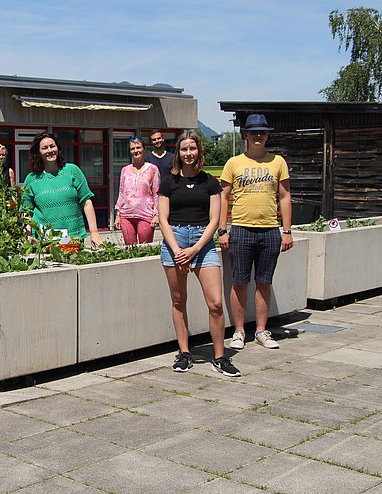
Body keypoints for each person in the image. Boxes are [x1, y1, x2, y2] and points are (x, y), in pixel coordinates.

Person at [158, 130, 240, 377]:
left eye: (192, 148)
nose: (188, 153)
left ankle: (220, 356)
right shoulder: (168, 182)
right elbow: (162, 219)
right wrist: (177, 250)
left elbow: (215, 220)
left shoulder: (210, 182)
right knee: (178, 300)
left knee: (215, 303)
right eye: (184, 149)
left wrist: (194, 249)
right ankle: (184, 353)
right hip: (175, 241)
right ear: (178, 153)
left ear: (199, 151)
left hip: (203, 243)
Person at [219, 114, 293, 351]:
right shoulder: (234, 162)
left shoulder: (277, 162)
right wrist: (222, 229)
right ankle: (239, 331)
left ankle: (261, 330)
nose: (258, 136)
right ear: (246, 135)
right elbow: (223, 196)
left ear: (267, 134)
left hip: (270, 230)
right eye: (254, 132)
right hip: (240, 229)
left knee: (264, 282)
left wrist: (287, 230)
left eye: (262, 132)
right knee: (239, 283)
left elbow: (284, 196)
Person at [23, 132, 102, 246]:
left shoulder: (72, 171)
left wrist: (94, 233)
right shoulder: (31, 179)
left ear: (58, 148)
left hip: (73, 235)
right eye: (45, 148)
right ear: (38, 153)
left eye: (52, 146)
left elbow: (86, 202)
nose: (50, 150)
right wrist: (28, 234)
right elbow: (26, 211)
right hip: (44, 238)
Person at [114, 137, 160, 244]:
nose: (136, 151)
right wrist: (118, 215)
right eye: (132, 149)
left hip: (145, 215)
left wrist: (156, 215)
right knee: (130, 248)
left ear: (144, 149)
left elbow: (157, 194)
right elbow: (121, 193)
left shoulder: (153, 169)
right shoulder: (125, 170)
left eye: (138, 147)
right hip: (126, 215)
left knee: (145, 247)